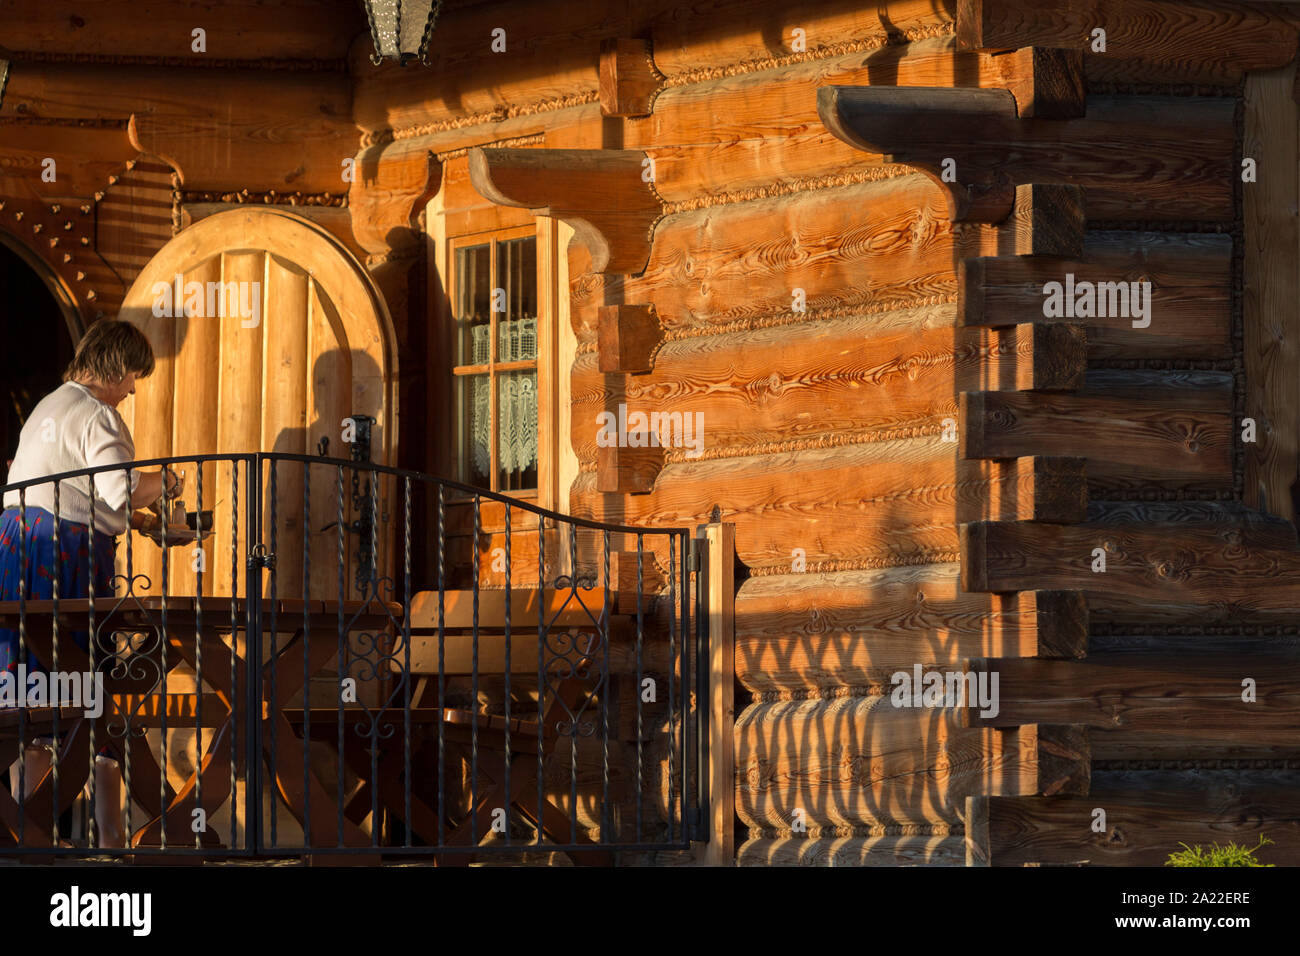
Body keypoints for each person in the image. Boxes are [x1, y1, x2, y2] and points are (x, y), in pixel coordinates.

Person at [0, 318, 180, 843]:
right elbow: (120, 489)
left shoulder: (50, 405)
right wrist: (166, 481)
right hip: (63, 556)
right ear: (118, 367)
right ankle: (110, 844)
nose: (131, 390)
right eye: (132, 378)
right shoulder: (98, 413)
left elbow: (82, 488)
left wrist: (143, 525)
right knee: (90, 690)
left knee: (31, 690)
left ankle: (27, 834)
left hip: (18, 547)